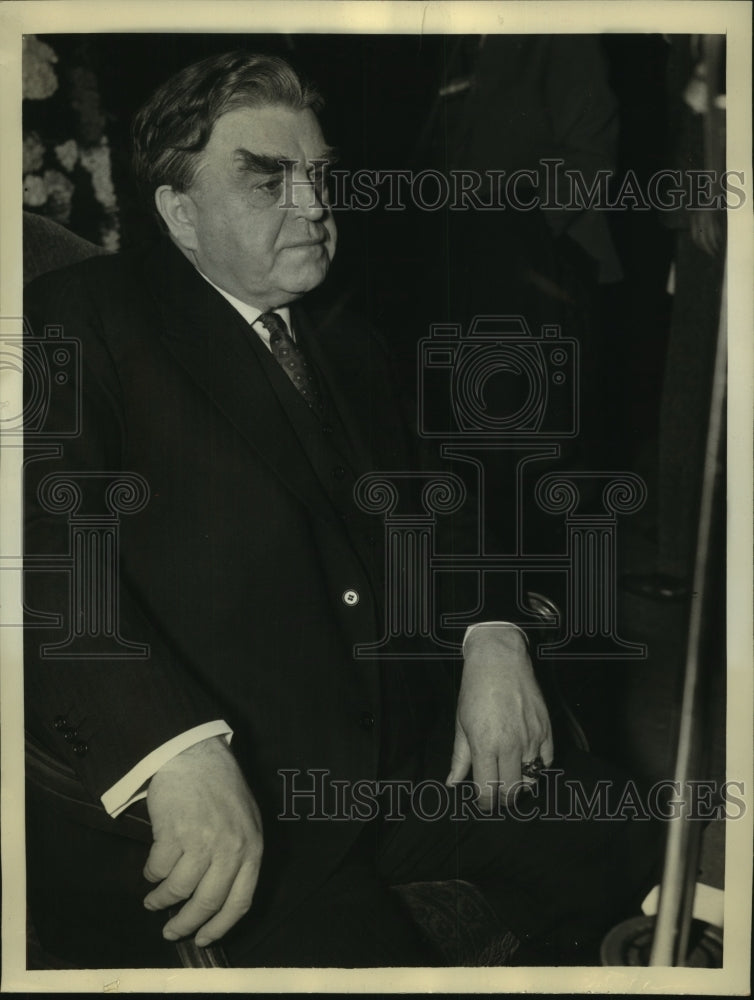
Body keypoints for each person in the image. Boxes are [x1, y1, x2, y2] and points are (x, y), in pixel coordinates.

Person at [24, 50, 659, 969]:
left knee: (638, 844)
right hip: (235, 806)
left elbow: (436, 512)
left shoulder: (345, 338)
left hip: (397, 767)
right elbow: (40, 547)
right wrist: (171, 749)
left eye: (320, 175)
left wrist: (492, 632)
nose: (316, 206)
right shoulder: (78, 319)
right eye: (267, 181)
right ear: (178, 212)